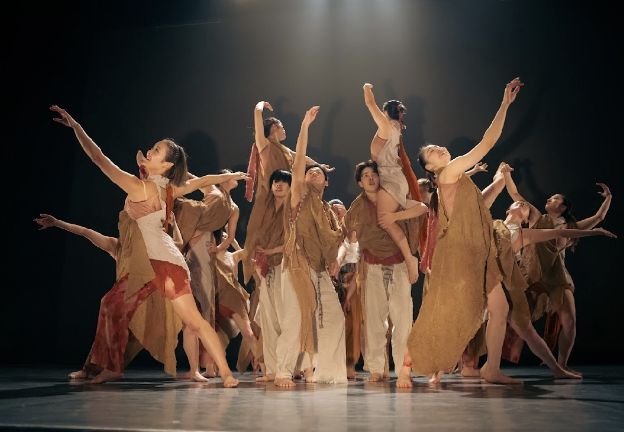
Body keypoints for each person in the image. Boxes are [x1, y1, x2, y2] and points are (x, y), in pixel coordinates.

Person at [50, 105, 246, 387]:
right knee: (117, 305)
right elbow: (203, 181)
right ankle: (226, 375)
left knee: (186, 320)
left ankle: (115, 368)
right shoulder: (169, 189)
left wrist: (77, 127)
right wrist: (229, 177)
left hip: (162, 265)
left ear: (166, 166)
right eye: (153, 148)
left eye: (157, 151)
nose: (150, 151)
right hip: (165, 263)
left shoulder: (139, 187)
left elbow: (98, 158)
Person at [401, 77, 524, 387]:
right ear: (430, 167)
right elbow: (487, 142)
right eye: (432, 151)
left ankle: (491, 369)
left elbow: (477, 207)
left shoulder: (454, 177)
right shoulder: (449, 171)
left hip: (476, 252)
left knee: (500, 309)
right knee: (443, 311)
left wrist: (497, 183)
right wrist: (504, 105)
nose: (439, 149)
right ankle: (407, 364)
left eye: (437, 147)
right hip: (459, 254)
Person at [504, 168, 613, 374]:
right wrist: (507, 174)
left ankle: (562, 364)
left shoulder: (571, 227)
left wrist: (608, 198)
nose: (549, 198)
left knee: (569, 321)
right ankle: (472, 360)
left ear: (562, 207)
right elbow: (515, 194)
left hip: (557, 276)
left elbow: (599, 217)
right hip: (530, 274)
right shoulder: (536, 217)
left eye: (554, 198)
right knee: (511, 316)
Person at [278, 106, 346, 386]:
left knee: (335, 318)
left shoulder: (329, 212)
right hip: (298, 264)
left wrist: (335, 258)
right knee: (295, 319)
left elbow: (333, 242)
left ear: (326, 182)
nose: (313, 174)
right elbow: (297, 163)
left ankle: (327, 372)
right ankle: (283, 372)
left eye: (319, 173)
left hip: (319, 269)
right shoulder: (299, 196)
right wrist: (305, 126)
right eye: (310, 172)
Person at [363, 83, 428, 284]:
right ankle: (407, 254)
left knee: (386, 221)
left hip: (390, 179)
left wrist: (366, 88)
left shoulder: (386, 127)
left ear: (385, 113)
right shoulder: (397, 129)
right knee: (415, 209)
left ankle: (409, 258)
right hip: (394, 178)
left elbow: (370, 104)